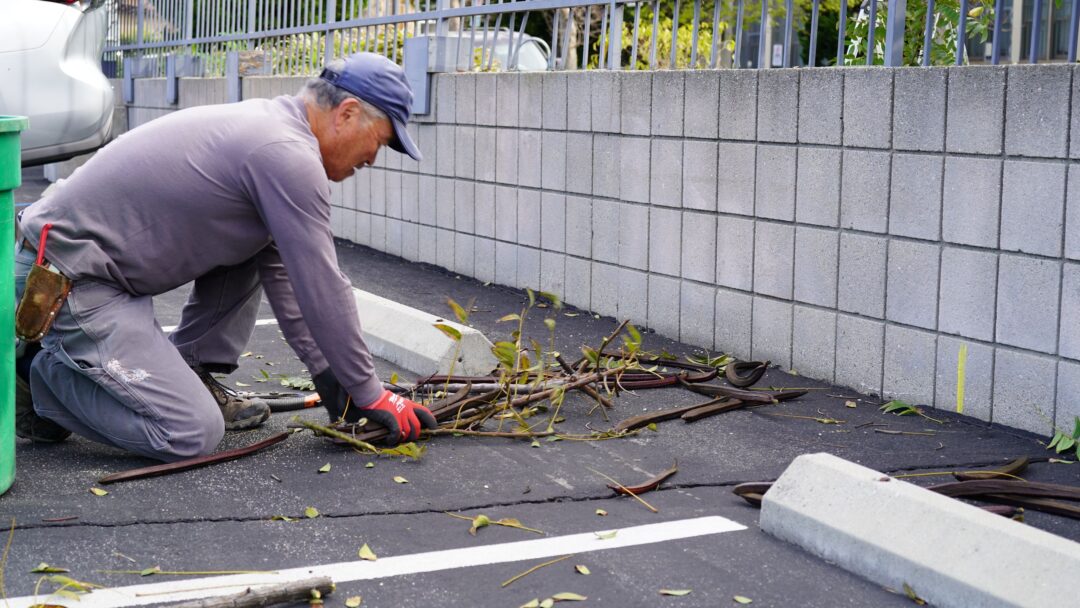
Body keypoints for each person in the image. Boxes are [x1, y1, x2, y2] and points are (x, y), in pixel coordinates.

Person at [14, 52, 436, 462]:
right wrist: (369, 392)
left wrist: (333, 376)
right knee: (189, 431)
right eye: (379, 141)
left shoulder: (272, 129)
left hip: (97, 276)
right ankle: (40, 377)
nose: (372, 158)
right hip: (70, 282)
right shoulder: (286, 154)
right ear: (346, 113)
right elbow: (322, 285)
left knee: (254, 244)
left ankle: (189, 367)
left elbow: (291, 279)